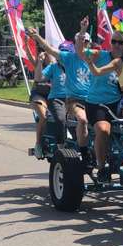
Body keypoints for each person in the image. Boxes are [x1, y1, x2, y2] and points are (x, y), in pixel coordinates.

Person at [28, 20, 92, 163]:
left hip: (88, 99)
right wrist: (37, 40)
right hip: (60, 99)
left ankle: (89, 147)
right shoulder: (63, 62)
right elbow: (39, 76)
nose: (83, 44)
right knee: (61, 119)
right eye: (81, 42)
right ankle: (61, 148)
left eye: (86, 42)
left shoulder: (93, 58)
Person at [83, 31, 123, 180]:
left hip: (119, 102)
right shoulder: (101, 55)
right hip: (97, 103)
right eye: (114, 41)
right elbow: (82, 52)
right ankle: (101, 167)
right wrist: (83, 33)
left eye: (120, 42)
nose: (117, 45)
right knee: (103, 129)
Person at [36, 43, 70, 150]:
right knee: (60, 119)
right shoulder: (53, 67)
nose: (63, 56)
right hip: (56, 99)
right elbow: (38, 78)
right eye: (61, 53)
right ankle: (61, 146)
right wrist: (40, 62)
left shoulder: (74, 66)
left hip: (74, 99)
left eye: (66, 53)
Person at [28, 50, 53, 158]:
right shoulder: (39, 64)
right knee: (43, 116)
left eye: (51, 54)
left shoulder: (56, 66)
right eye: (47, 55)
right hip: (38, 94)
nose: (49, 57)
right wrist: (39, 60)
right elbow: (29, 56)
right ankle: (38, 143)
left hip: (52, 95)